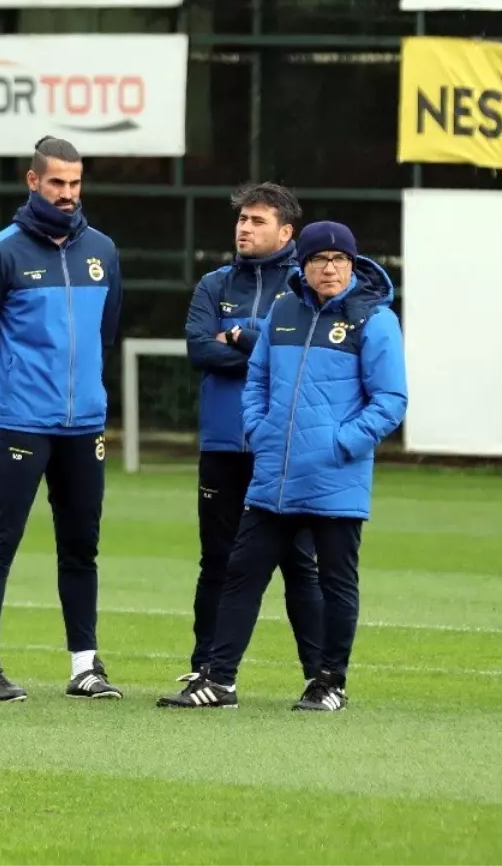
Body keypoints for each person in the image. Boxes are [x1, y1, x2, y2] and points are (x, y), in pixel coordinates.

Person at [163, 221, 407, 712]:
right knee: (241, 573)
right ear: (304, 265)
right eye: (320, 259)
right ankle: (220, 681)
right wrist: (262, 430)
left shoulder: (375, 320)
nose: (330, 268)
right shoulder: (284, 311)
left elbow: (390, 400)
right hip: (274, 476)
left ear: (353, 264)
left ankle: (329, 684)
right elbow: (257, 379)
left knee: (335, 583)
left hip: (335, 478)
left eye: (340, 260)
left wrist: (340, 444)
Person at [0, 136, 123, 702]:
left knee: (81, 546)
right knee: (0, 541)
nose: (67, 193)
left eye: (75, 183)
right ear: (33, 182)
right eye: (57, 183)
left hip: (85, 424)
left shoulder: (103, 250)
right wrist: (4, 400)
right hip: (20, 422)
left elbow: (105, 333)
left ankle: (85, 666)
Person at [163, 183, 323, 700]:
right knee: (216, 559)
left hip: (282, 449)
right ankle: (206, 669)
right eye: (242, 219)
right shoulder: (214, 283)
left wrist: (237, 336)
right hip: (222, 445)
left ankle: (320, 677)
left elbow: (299, 358)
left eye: (257, 221)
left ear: (286, 231)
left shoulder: (304, 289)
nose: (244, 228)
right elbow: (199, 351)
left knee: (299, 563)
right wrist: (263, 347)